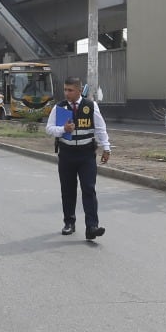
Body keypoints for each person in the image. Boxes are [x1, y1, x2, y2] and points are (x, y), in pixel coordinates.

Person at [45, 76, 112, 239]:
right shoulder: (59, 107)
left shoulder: (90, 106)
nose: (67, 93)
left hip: (86, 154)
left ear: (79, 90)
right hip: (67, 154)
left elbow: (100, 128)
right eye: (65, 90)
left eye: (70, 90)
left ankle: (92, 227)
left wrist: (106, 148)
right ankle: (69, 223)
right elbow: (49, 128)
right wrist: (63, 129)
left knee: (89, 189)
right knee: (68, 190)